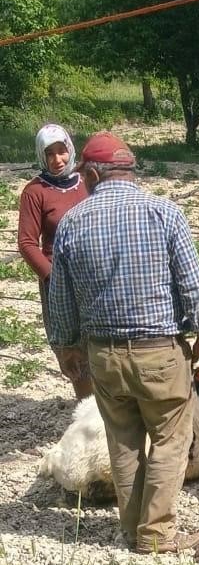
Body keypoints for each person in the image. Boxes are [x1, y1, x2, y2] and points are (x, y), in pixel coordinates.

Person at [48, 131, 199, 555]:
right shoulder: (165, 213)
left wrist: (67, 347)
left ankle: (129, 530)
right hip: (159, 351)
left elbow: (60, 296)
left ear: (90, 173)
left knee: (122, 443)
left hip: (102, 354)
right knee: (169, 440)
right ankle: (156, 535)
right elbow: (192, 284)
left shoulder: (72, 222)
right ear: (130, 171)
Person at [18, 123, 92, 399]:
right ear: (42, 156)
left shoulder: (88, 182)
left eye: (62, 151)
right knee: (73, 347)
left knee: (102, 344)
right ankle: (87, 409)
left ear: (70, 150)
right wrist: (53, 277)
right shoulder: (35, 192)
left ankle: (111, 414)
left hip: (94, 277)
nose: (57, 160)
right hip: (58, 283)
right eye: (50, 154)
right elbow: (27, 243)